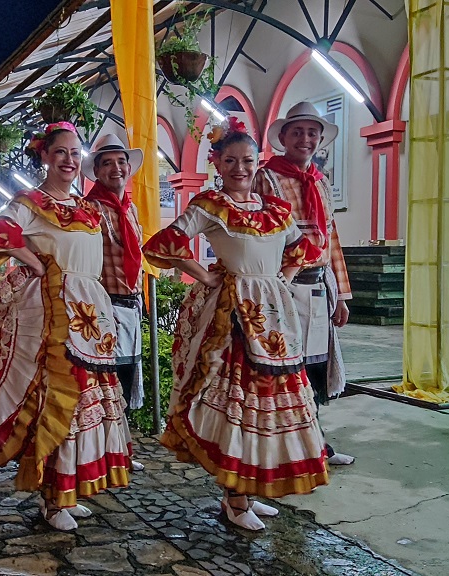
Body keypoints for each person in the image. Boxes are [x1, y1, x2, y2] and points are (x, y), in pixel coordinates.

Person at [142, 118, 328, 531]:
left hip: (275, 321)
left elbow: (303, 249)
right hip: (234, 317)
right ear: (217, 163)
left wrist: (284, 281)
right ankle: (235, 496)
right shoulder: (210, 205)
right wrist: (205, 275)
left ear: (256, 162)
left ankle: (249, 486)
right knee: (236, 401)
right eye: (230, 160)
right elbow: (162, 244)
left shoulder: (276, 210)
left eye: (246, 160)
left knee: (266, 404)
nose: (240, 168)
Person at [0, 122, 133, 531]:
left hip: (91, 310)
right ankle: (52, 497)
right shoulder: (31, 201)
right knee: (59, 395)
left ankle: (66, 489)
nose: (69, 160)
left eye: (76, 154)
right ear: (44, 156)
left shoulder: (88, 206)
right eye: (61, 152)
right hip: (55, 311)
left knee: (84, 401)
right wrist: (36, 262)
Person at [256, 101, 354, 466]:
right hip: (284, 289)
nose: (305, 139)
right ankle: (284, 449)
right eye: (297, 132)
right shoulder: (267, 179)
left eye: (312, 133)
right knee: (284, 371)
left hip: (318, 290)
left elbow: (332, 238)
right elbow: (262, 235)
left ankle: (316, 446)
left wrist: (341, 294)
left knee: (314, 370)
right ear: (283, 137)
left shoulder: (320, 182)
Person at [81, 133, 146, 473]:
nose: (116, 168)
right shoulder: (90, 209)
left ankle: (121, 449)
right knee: (105, 381)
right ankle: (105, 451)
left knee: (123, 377)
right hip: (104, 306)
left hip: (129, 305)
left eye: (121, 162)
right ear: (97, 170)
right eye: (107, 163)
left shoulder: (129, 208)